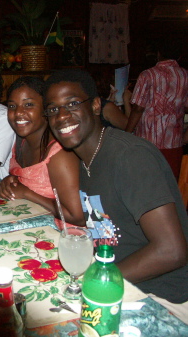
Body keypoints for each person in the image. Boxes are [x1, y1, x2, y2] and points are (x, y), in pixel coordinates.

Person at [44, 68, 188, 324]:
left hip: (165, 298)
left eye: (73, 103)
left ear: (97, 105)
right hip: (123, 281)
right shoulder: (84, 159)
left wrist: (99, 277)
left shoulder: (130, 157)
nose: (62, 116)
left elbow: (172, 251)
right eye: (53, 109)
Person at [0, 76, 84, 229]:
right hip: (33, 223)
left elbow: (76, 215)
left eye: (28, 105)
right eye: (12, 106)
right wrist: (11, 180)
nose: (18, 113)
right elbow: (28, 177)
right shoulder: (21, 141)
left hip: (66, 236)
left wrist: (27, 194)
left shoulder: (59, 153)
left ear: (46, 109)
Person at [125, 40, 188, 179]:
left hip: (147, 142)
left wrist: (127, 133)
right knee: (169, 185)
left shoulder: (148, 75)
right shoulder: (185, 76)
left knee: (147, 183)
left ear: (158, 54)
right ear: (179, 56)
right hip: (174, 142)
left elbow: (137, 109)